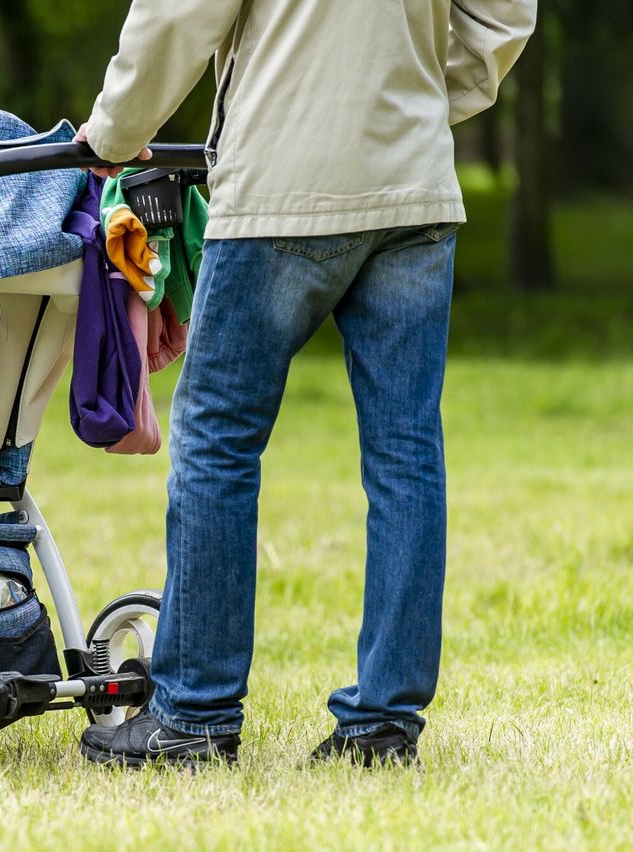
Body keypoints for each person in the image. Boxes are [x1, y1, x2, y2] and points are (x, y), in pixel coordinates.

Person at [75, 0, 536, 768]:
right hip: (411, 181)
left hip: (282, 183)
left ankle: (193, 714)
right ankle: (385, 726)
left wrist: (116, 133)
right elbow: (506, 16)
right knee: (406, 453)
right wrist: (413, 100)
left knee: (219, 441)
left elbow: (181, 11)